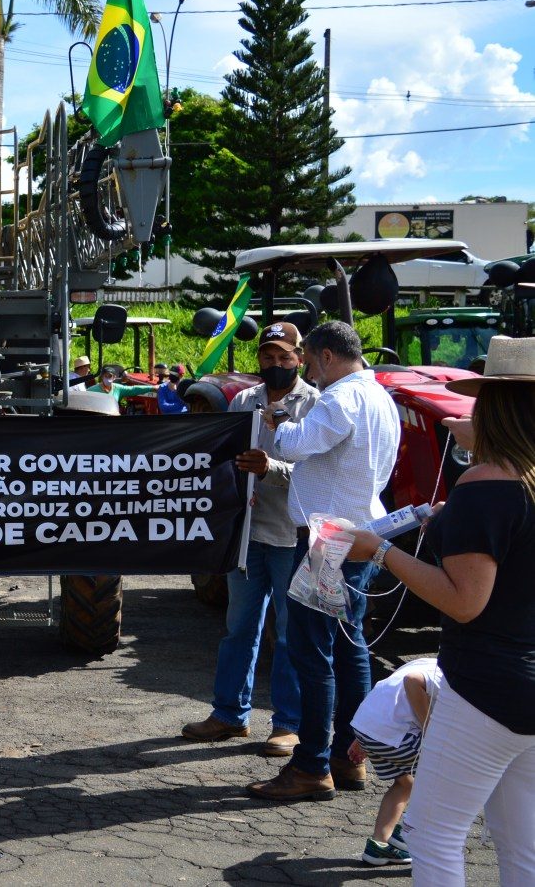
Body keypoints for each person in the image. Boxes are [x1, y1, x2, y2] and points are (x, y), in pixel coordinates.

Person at [342, 334, 535, 883]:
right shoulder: (522, 485)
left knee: (430, 835)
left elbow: (464, 602)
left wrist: (381, 550)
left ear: (492, 406)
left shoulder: (484, 486)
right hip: (523, 684)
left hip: (484, 687)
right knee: (522, 843)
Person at [247, 321, 399, 802]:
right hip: (357, 534)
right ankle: (348, 756)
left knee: (313, 653)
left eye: (309, 361)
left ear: (327, 356)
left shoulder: (338, 398)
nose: (309, 371)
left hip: (327, 540)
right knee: (350, 648)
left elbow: (294, 446)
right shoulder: (379, 397)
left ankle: (313, 764)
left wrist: (278, 423)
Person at [182, 322, 316, 758]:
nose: (275, 364)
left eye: (284, 357)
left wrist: (270, 469)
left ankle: (288, 724)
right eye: (267, 356)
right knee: (239, 626)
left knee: (290, 631)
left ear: (301, 357)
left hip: (290, 534)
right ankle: (229, 714)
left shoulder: (316, 405)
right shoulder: (244, 400)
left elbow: (320, 476)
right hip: (248, 532)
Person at [347, 657, 443, 867]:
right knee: (452, 766)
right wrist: (430, 730)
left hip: (366, 727)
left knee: (405, 784)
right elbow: (411, 681)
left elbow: (391, 693)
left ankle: (379, 846)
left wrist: (364, 737)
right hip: (393, 735)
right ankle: (409, 831)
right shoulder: (448, 675)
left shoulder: (424, 662)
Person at [87, 364, 157, 406]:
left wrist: (152, 387)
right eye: (105, 376)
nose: (107, 378)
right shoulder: (91, 390)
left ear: (114, 377)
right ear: (102, 377)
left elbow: (133, 389)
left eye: (110, 376)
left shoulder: (117, 388)